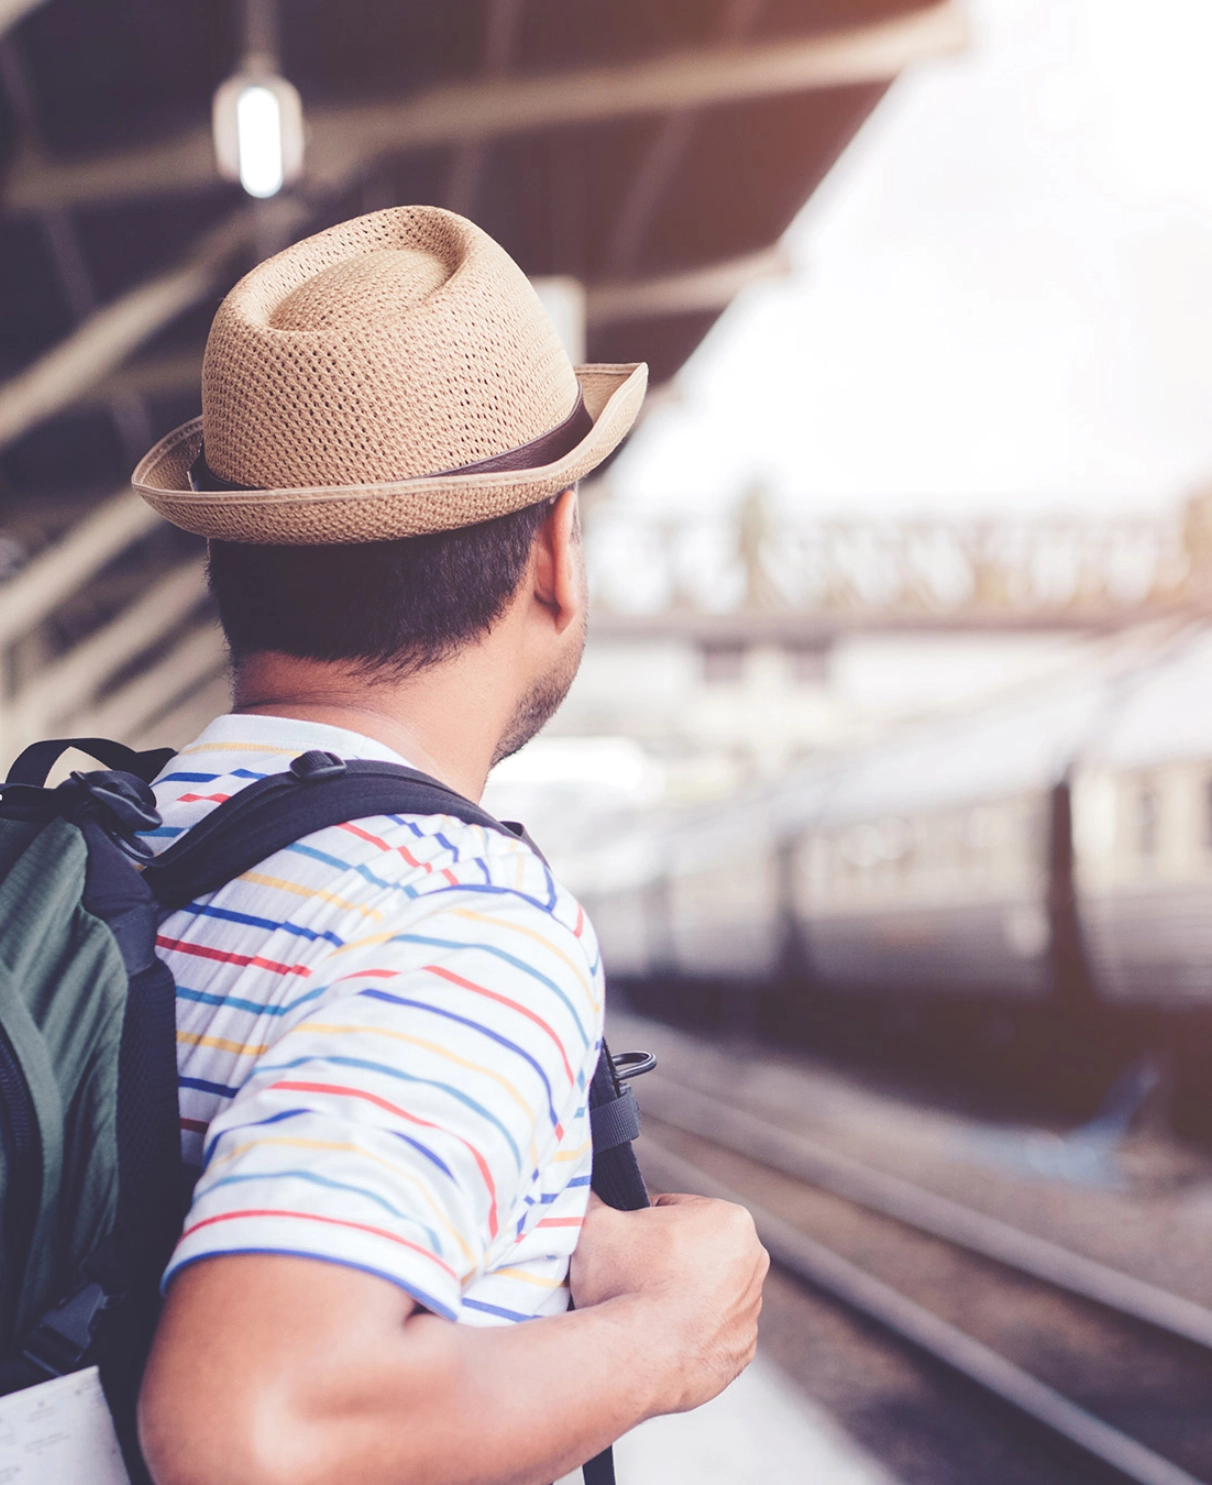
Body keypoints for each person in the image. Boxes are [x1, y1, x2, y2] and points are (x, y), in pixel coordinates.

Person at [124, 206, 768, 1485]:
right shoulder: (449, 913)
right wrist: (670, 1337)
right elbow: (259, 1428)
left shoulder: (131, 845)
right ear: (553, 551)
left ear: (229, 565)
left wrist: (554, 1227)